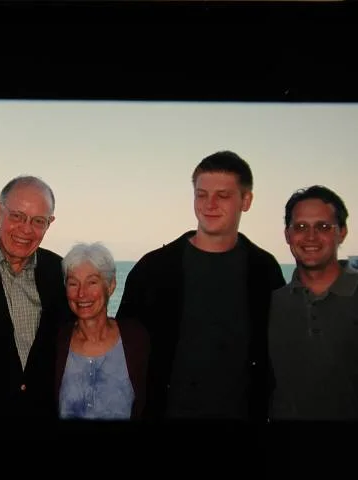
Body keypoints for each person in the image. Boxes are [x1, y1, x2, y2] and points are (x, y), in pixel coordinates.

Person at [116, 150, 285, 421]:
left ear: (246, 200)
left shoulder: (264, 270)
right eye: (202, 194)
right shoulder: (153, 269)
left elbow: (277, 352)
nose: (210, 204)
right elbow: (124, 351)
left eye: (223, 195)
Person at [0, 175, 71, 418]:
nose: (26, 229)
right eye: (17, 216)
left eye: (38, 221)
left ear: (49, 223)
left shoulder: (61, 272)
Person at [269, 185, 358, 420]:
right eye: (300, 227)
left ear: (342, 232)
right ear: (287, 235)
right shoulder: (273, 305)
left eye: (323, 227)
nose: (310, 236)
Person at [55, 242, 149, 420]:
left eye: (92, 282)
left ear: (111, 286)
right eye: (73, 284)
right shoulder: (56, 342)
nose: (81, 294)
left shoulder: (136, 339)